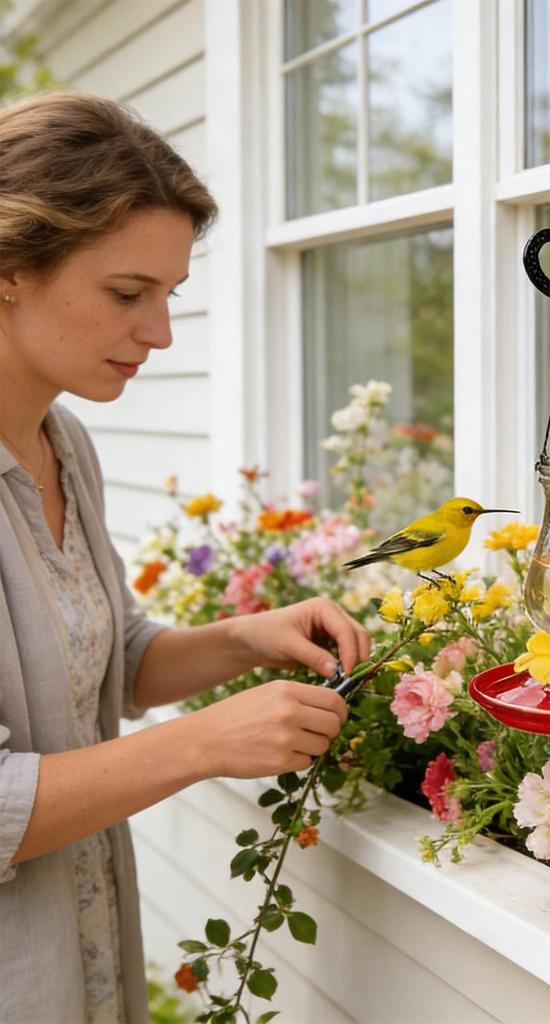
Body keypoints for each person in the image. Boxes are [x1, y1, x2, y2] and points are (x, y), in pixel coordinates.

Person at [0, 91, 370, 1023]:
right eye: (128, 294)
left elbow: (112, 662)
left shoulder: (63, 444)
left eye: (169, 296)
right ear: (9, 266)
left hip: (81, 952)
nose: (159, 334)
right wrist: (206, 743)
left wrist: (248, 638)